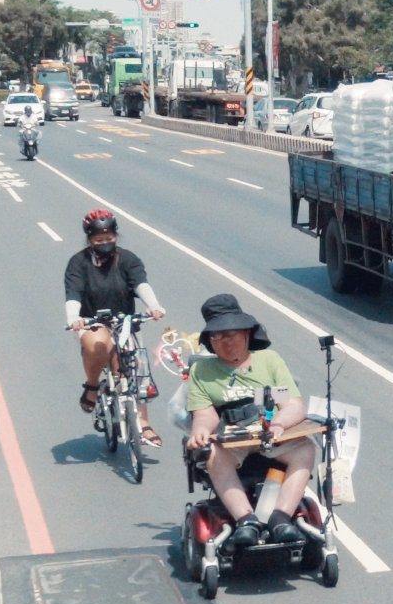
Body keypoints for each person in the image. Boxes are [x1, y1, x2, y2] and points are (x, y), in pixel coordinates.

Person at [184, 294, 313, 546]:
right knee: (213, 456)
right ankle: (246, 520)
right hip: (233, 441)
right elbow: (205, 413)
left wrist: (278, 424)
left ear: (245, 333)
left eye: (230, 334)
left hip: (270, 435)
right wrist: (199, 430)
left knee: (306, 448)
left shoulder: (269, 361)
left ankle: (281, 517)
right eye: (216, 336)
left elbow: (292, 405)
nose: (224, 341)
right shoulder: (203, 371)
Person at [66, 209, 166, 447]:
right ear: (90, 240)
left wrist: (153, 306)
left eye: (109, 239)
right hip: (93, 322)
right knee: (97, 345)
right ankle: (92, 386)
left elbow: (140, 284)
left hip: (125, 321)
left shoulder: (128, 259)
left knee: (137, 368)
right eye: (99, 240)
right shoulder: (78, 263)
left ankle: (144, 423)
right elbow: (73, 294)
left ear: (116, 236)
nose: (104, 243)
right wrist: (73, 317)